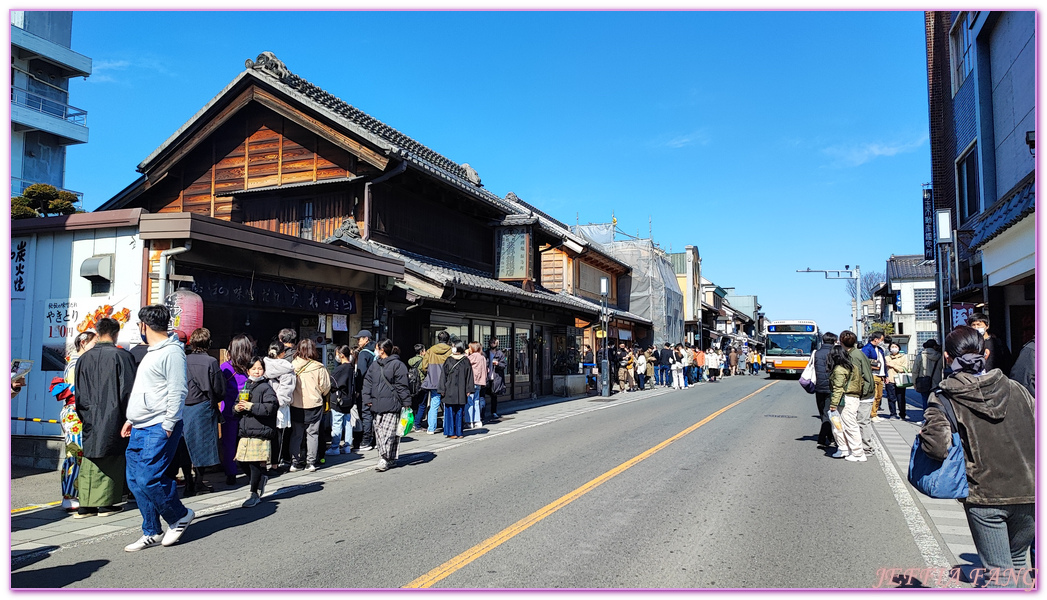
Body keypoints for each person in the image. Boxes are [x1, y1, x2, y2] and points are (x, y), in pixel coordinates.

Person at [917, 326, 1034, 587]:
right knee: (1017, 565)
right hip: (1031, 492)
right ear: (987, 353)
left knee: (999, 575)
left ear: (947, 358)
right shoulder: (1017, 389)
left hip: (985, 495)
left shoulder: (945, 396)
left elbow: (936, 447)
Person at [121, 305, 194, 552]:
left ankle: (179, 515)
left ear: (144, 326)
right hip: (141, 424)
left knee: (149, 477)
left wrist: (169, 422)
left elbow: (177, 389)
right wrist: (131, 418)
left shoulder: (172, 352)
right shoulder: (153, 351)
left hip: (159, 425)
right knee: (134, 479)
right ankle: (151, 530)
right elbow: (146, 390)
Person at [73, 320, 134, 518]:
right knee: (111, 457)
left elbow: (79, 392)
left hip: (89, 414)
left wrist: (84, 413)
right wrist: (130, 417)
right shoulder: (122, 356)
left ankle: (85, 505)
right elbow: (128, 391)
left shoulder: (84, 358)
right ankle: (107, 503)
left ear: (98, 333)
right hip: (115, 414)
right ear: (116, 333)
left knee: (90, 457)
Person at [57, 331, 96, 511]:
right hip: (74, 412)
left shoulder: (77, 362)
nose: (95, 347)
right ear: (83, 343)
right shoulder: (75, 364)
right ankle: (69, 495)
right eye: (93, 343)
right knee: (74, 453)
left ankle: (74, 493)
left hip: (75, 412)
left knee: (78, 453)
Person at [183, 328, 223, 495]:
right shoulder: (211, 362)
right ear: (208, 343)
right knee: (203, 446)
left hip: (184, 406)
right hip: (203, 406)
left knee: (185, 446)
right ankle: (199, 482)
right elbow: (219, 388)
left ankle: (187, 483)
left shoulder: (183, 360)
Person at [234, 356, 278, 507]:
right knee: (242, 461)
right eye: (254, 369)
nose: (257, 371)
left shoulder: (266, 388)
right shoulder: (246, 386)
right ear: (248, 371)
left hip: (260, 431)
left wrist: (251, 407)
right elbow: (236, 404)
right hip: (246, 431)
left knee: (253, 464)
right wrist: (237, 408)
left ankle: (254, 493)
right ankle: (262, 478)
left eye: (260, 368)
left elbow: (271, 408)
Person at [362, 339, 412, 471]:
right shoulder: (374, 365)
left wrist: (407, 403)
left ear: (382, 350)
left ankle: (384, 458)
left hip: (392, 404)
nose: (375, 350)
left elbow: (402, 386)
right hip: (376, 404)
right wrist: (366, 398)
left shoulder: (397, 365)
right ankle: (388, 457)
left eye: (377, 348)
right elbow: (367, 382)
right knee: (379, 432)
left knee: (389, 433)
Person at [289, 339, 331, 472]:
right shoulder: (319, 367)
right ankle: (310, 463)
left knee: (296, 434)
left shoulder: (291, 365)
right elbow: (326, 387)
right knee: (313, 434)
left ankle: (294, 462)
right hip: (314, 404)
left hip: (295, 404)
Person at [220, 335, 253, 485]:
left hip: (228, 408)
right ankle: (250, 470)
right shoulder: (252, 367)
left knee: (229, 442)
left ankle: (231, 473)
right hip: (248, 408)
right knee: (248, 439)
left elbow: (219, 389)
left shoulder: (225, 367)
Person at [827, 343, 865, 462]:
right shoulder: (853, 367)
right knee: (842, 425)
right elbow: (861, 382)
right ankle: (844, 449)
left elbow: (838, 388)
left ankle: (857, 453)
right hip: (853, 397)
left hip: (845, 399)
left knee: (847, 426)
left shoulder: (839, 369)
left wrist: (833, 404)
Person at [264, 341, 296, 471]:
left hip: (265, 403)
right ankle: (275, 464)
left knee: (266, 434)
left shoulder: (263, 364)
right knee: (279, 436)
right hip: (280, 405)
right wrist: (280, 402)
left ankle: (263, 462)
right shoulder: (287, 367)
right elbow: (287, 388)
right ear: (282, 353)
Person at [843, 330, 875, 455]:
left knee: (862, 420)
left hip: (863, 391)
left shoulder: (853, 356)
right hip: (867, 389)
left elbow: (855, 376)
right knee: (862, 420)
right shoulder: (859, 353)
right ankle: (864, 445)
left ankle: (867, 447)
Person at [420, 331, 453, 434]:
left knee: (434, 404)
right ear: (448, 340)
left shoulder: (430, 350)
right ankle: (446, 426)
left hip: (433, 379)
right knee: (447, 404)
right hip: (447, 380)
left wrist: (430, 372)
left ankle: (431, 428)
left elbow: (424, 366)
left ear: (438, 339)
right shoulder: (451, 351)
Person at [438, 342, 472, 439]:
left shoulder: (465, 360)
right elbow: (443, 376)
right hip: (450, 389)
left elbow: (469, 376)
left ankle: (459, 432)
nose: (452, 348)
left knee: (460, 411)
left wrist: (469, 389)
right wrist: (442, 388)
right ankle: (451, 432)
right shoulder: (449, 359)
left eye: (454, 347)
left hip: (461, 389)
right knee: (449, 411)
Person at [967, 312, 1014, 377]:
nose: (976, 327)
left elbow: (1007, 362)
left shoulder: (997, 343)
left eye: (979, 324)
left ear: (987, 326)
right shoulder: (969, 344)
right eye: (973, 325)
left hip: (996, 379)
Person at [328, 345, 355, 455]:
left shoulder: (340, 369)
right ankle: (347, 445)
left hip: (338, 400)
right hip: (349, 399)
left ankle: (335, 447)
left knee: (337, 423)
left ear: (342, 355)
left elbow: (332, 384)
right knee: (347, 422)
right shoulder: (352, 367)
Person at [812, 332, 837, 448]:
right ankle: (823, 439)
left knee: (823, 412)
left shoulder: (816, 353)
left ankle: (830, 437)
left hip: (819, 387)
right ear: (833, 341)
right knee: (829, 413)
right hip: (831, 387)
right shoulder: (835, 353)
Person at [911, 339, 944, 426]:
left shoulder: (920, 356)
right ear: (934, 346)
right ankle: (935, 419)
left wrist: (914, 382)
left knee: (925, 401)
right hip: (936, 383)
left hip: (924, 382)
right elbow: (943, 368)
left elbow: (915, 370)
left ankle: (926, 420)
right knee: (935, 402)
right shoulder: (940, 356)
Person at [862, 332, 888, 421]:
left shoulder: (880, 349)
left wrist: (885, 375)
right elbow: (864, 361)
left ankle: (875, 413)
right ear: (876, 339)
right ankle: (872, 414)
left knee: (879, 396)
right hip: (872, 374)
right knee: (874, 394)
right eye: (881, 340)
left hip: (880, 375)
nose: (882, 342)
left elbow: (883, 363)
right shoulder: (867, 348)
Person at [884, 342, 909, 421]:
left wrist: (892, 365)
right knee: (891, 398)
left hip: (900, 380)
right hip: (890, 380)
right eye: (892, 347)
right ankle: (893, 414)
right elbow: (884, 368)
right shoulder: (887, 358)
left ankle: (902, 414)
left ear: (898, 348)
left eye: (895, 346)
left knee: (901, 398)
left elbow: (903, 368)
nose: (894, 348)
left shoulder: (903, 357)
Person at [465, 342, 488, 428]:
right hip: (479, 382)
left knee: (469, 401)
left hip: (471, 381)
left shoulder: (473, 356)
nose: (468, 349)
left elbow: (465, 362)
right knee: (476, 401)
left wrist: (466, 354)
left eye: (470, 348)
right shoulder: (482, 357)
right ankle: (477, 420)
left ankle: (469, 420)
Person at [485, 337, 507, 420]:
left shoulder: (500, 354)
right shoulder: (486, 353)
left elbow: (504, 365)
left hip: (495, 377)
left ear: (497, 344)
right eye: (491, 342)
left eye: (494, 343)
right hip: (486, 376)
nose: (492, 344)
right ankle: (482, 412)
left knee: (494, 395)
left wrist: (498, 364)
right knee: (484, 394)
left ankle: (493, 411)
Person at [407, 344, 427, 428]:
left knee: (414, 403)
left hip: (413, 385)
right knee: (422, 404)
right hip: (422, 384)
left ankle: (413, 420)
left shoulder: (410, 361)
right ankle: (417, 424)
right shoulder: (424, 361)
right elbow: (426, 371)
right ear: (421, 352)